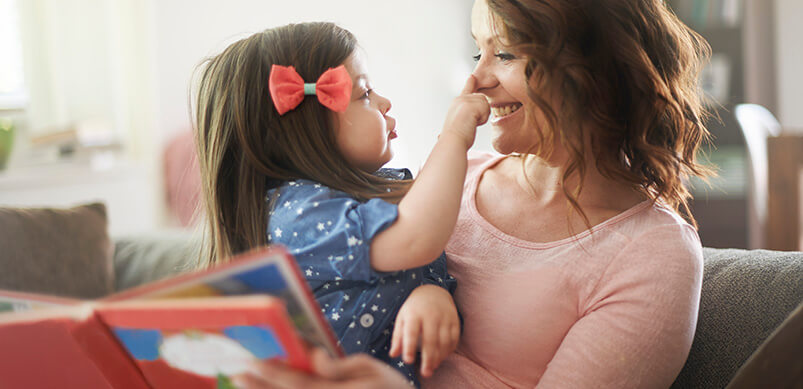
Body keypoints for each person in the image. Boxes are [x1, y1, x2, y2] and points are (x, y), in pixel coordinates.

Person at [234, 0, 713, 387]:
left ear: (595, 70)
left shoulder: (653, 253)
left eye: (504, 54)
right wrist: (426, 290)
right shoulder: (447, 182)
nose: (476, 80)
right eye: (476, 53)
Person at [193, 22, 492, 386]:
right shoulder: (296, 215)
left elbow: (417, 256)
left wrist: (431, 290)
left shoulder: (376, 196)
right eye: (365, 94)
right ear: (305, 128)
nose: (385, 103)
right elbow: (417, 238)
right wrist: (455, 136)